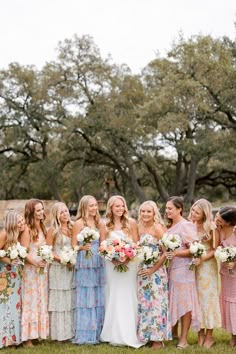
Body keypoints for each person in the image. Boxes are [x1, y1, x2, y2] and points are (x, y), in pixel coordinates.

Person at [100, 195, 143, 348]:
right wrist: (114, 259)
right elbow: (102, 246)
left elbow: (137, 245)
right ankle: (114, 333)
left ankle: (130, 332)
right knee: (114, 295)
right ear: (111, 207)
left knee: (129, 295)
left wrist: (127, 258)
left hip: (129, 265)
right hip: (112, 266)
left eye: (122, 206)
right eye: (116, 206)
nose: (120, 208)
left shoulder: (131, 223)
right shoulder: (104, 224)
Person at [165, 196, 200, 349]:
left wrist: (177, 254)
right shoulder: (169, 226)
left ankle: (184, 339)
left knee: (185, 305)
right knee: (174, 302)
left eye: (170, 208)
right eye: (166, 208)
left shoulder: (186, 226)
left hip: (184, 270)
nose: (167, 211)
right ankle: (174, 333)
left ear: (179, 209)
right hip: (171, 270)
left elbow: (194, 250)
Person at [137, 201, 172, 348]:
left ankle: (158, 339)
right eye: (143, 211)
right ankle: (146, 335)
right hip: (142, 271)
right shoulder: (139, 227)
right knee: (145, 303)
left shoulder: (158, 228)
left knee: (157, 303)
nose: (145, 214)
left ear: (154, 213)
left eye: (148, 212)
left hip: (156, 272)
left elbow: (166, 252)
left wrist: (153, 269)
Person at [72, 195, 105, 344]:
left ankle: (98, 331)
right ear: (84, 207)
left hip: (98, 261)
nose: (94, 208)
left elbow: (103, 243)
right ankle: (85, 334)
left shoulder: (100, 223)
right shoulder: (78, 223)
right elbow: (73, 245)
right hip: (84, 262)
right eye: (91, 206)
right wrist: (81, 247)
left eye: (95, 205)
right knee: (86, 297)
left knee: (97, 295)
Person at [189, 199, 221, 348]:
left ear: (204, 213)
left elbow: (215, 249)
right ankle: (200, 332)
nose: (193, 213)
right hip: (193, 268)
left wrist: (202, 258)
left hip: (207, 268)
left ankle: (209, 335)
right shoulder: (190, 226)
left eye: (197, 212)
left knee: (208, 299)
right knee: (197, 300)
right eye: (193, 210)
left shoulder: (212, 227)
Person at [20, 199, 49, 347]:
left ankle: (36, 332)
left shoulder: (43, 227)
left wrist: (45, 259)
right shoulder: (27, 229)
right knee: (30, 301)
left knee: (40, 299)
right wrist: (35, 262)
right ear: (31, 212)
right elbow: (23, 253)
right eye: (38, 210)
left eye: (42, 209)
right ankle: (27, 338)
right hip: (30, 270)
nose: (41, 212)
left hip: (42, 270)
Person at [46, 202, 75, 341]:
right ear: (56, 215)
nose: (65, 214)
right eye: (61, 212)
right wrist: (62, 260)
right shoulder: (52, 230)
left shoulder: (73, 227)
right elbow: (48, 251)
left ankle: (70, 332)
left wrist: (71, 260)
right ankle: (59, 334)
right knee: (59, 300)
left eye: (66, 211)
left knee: (69, 299)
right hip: (58, 268)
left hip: (70, 269)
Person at [0, 210, 25, 349]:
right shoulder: (4, 234)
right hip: (5, 275)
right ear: (12, 221)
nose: (22, 223)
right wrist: (9, 260)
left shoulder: (17, 234)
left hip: (16, 275)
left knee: (15, 306)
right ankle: (5, 339)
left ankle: (14, 338)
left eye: (22, 221)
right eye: (19, 221)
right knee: (5, 306)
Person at [215, 206, 236, 347]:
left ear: (228, 222)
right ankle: (232, 333)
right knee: (228, 302)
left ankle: (235, 337)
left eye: (219, 219)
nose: (216, 219)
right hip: (225, 274)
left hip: (235, 273)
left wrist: (234, 263)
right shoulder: (218, 231)